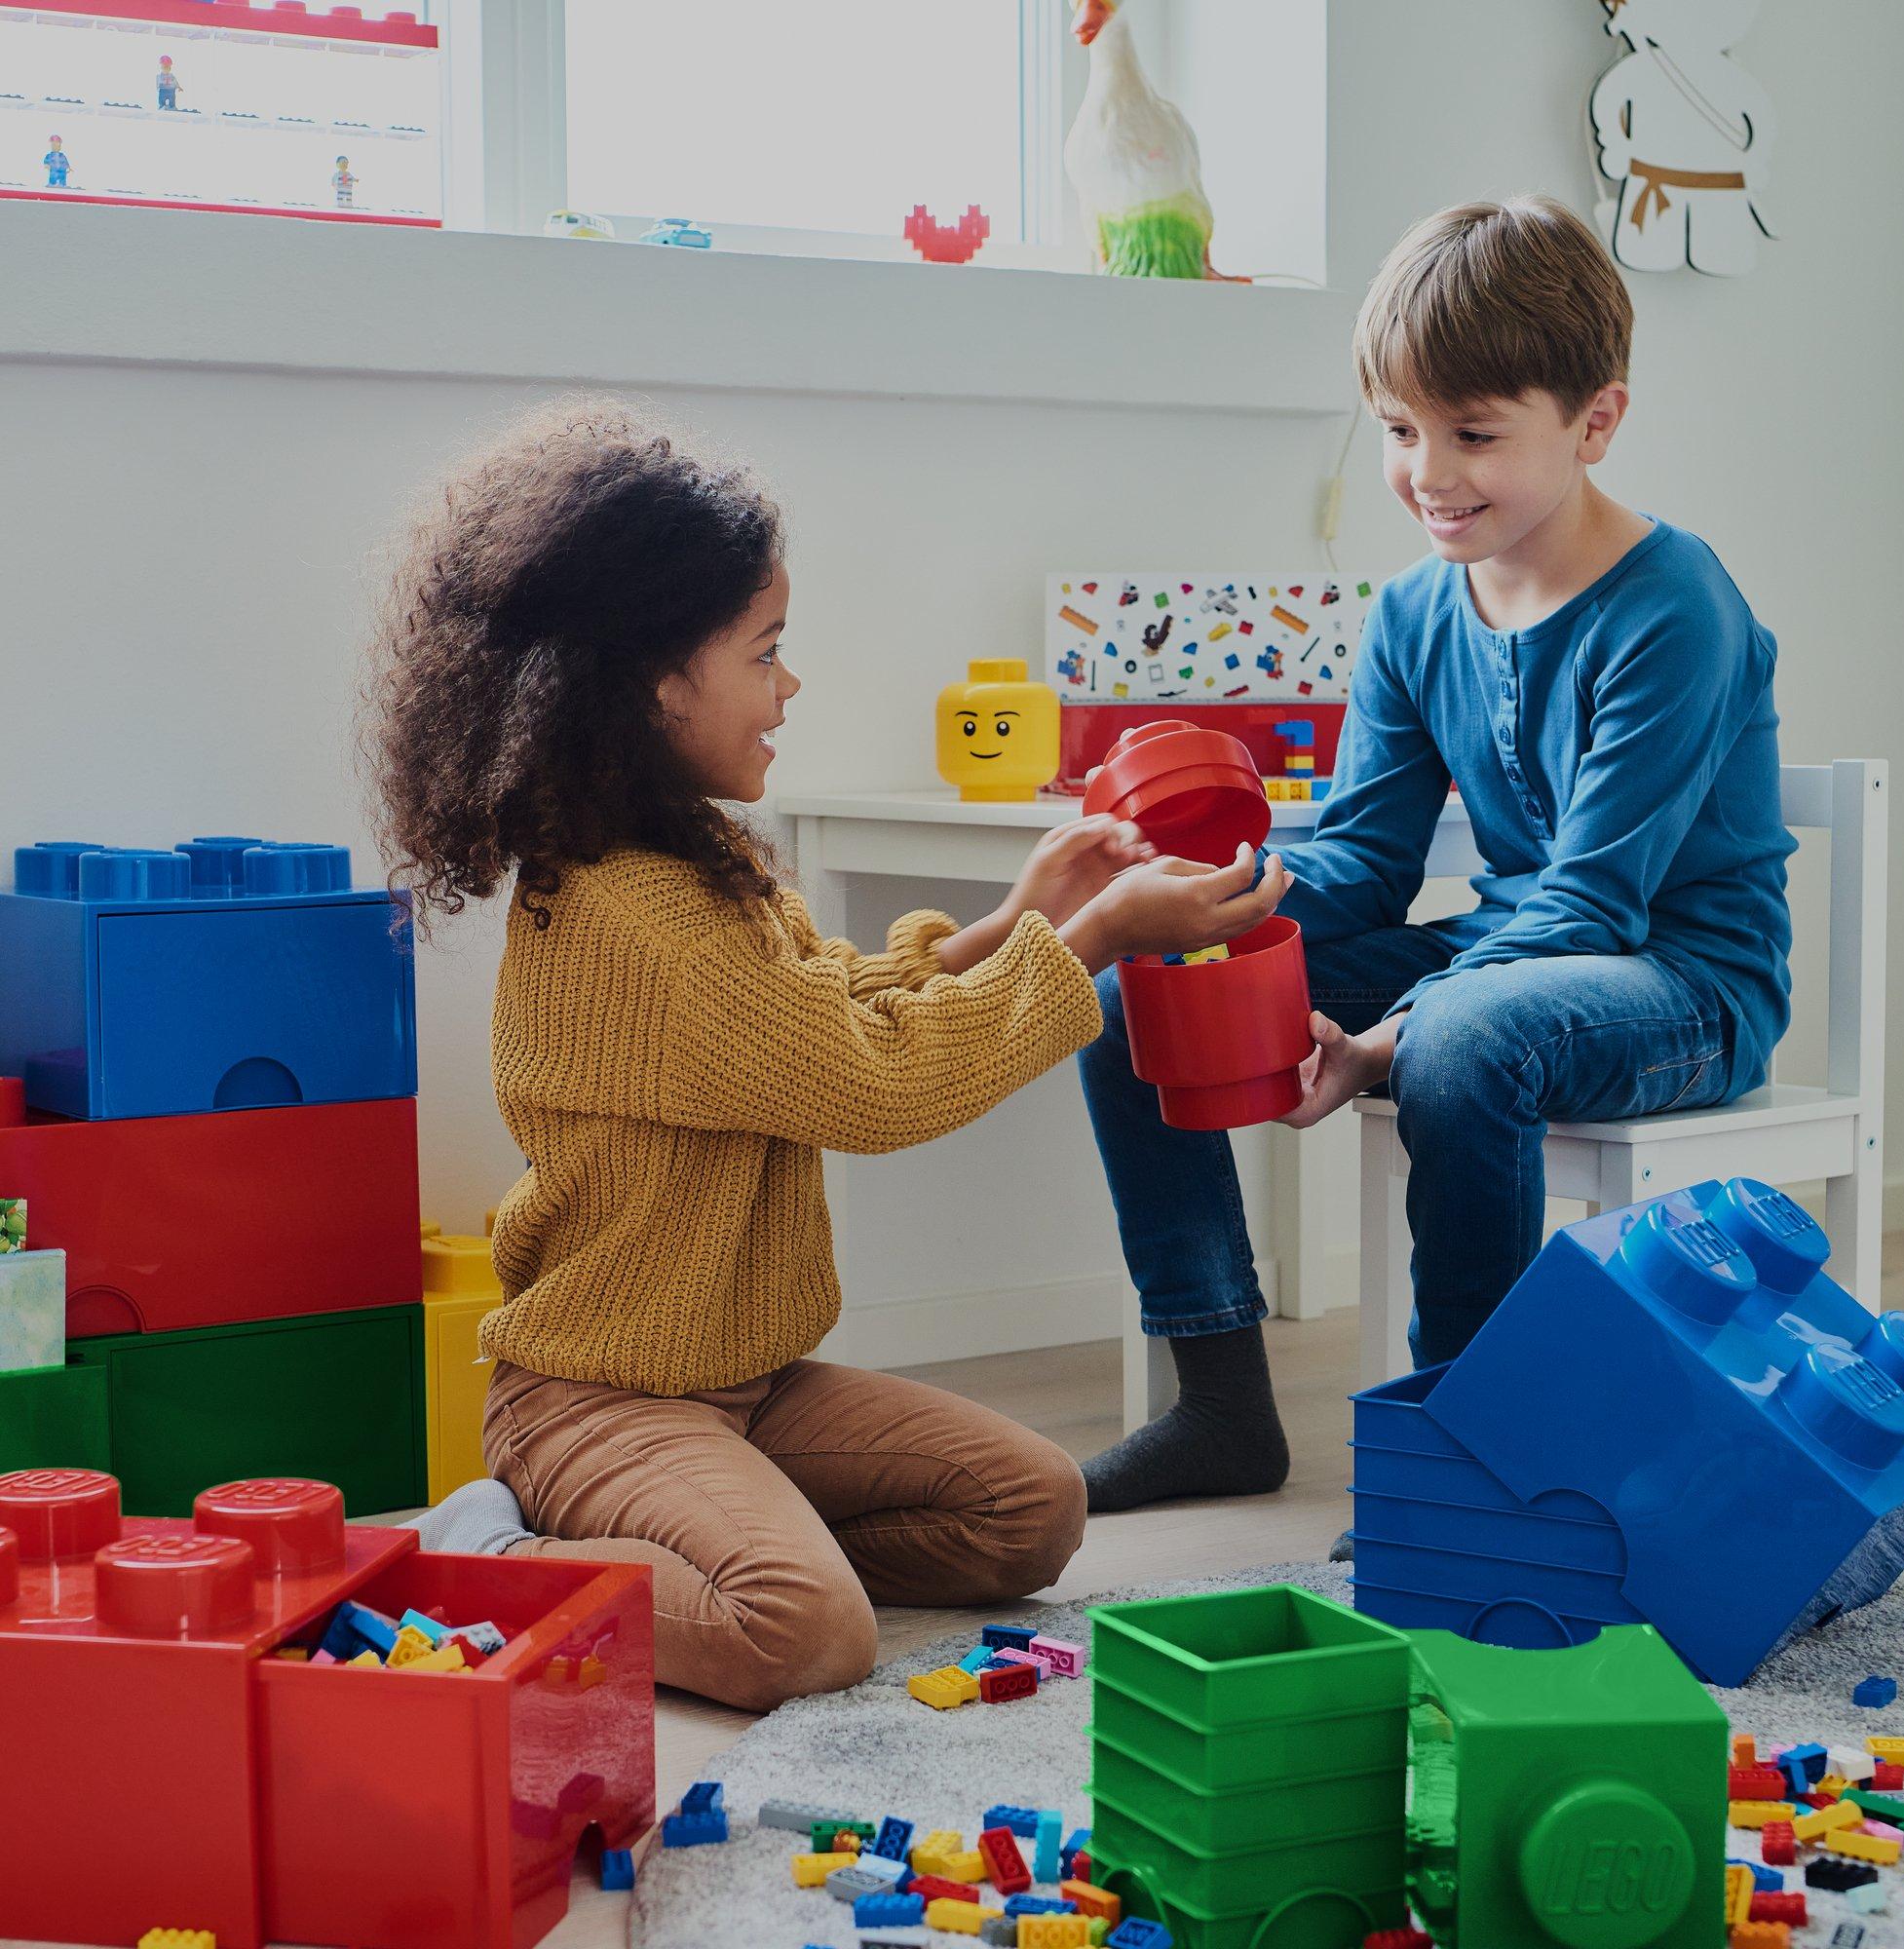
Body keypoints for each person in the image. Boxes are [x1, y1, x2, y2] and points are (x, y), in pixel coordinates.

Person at [364, 399, 1288, 1708]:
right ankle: (485, 1557)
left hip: (751, 1384)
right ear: (654, 679)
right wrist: (1085, 944)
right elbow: (871, 1082)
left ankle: (718, 1530)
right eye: (766, 651)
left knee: (1030, 1511)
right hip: (601, 1400)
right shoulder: (637, 920)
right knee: (804, 1638)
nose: (789, 686)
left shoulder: (691, 857)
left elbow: (831, 1007)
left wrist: (1026, 916)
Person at [1079, 194, 1793, 1516]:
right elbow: (1364, 856)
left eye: (1474, 435)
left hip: (1685, 982)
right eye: (1403, 431)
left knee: (1464, 1044)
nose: (1429, 473)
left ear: (1595, 423)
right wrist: (1207, 900)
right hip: (1509, 953)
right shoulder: (1412, 608)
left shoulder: (1676, 603)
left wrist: (1388, 1034)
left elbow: (1595, 897)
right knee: (1131, 998)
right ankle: (1222, 1407)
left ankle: (1472, 1455)